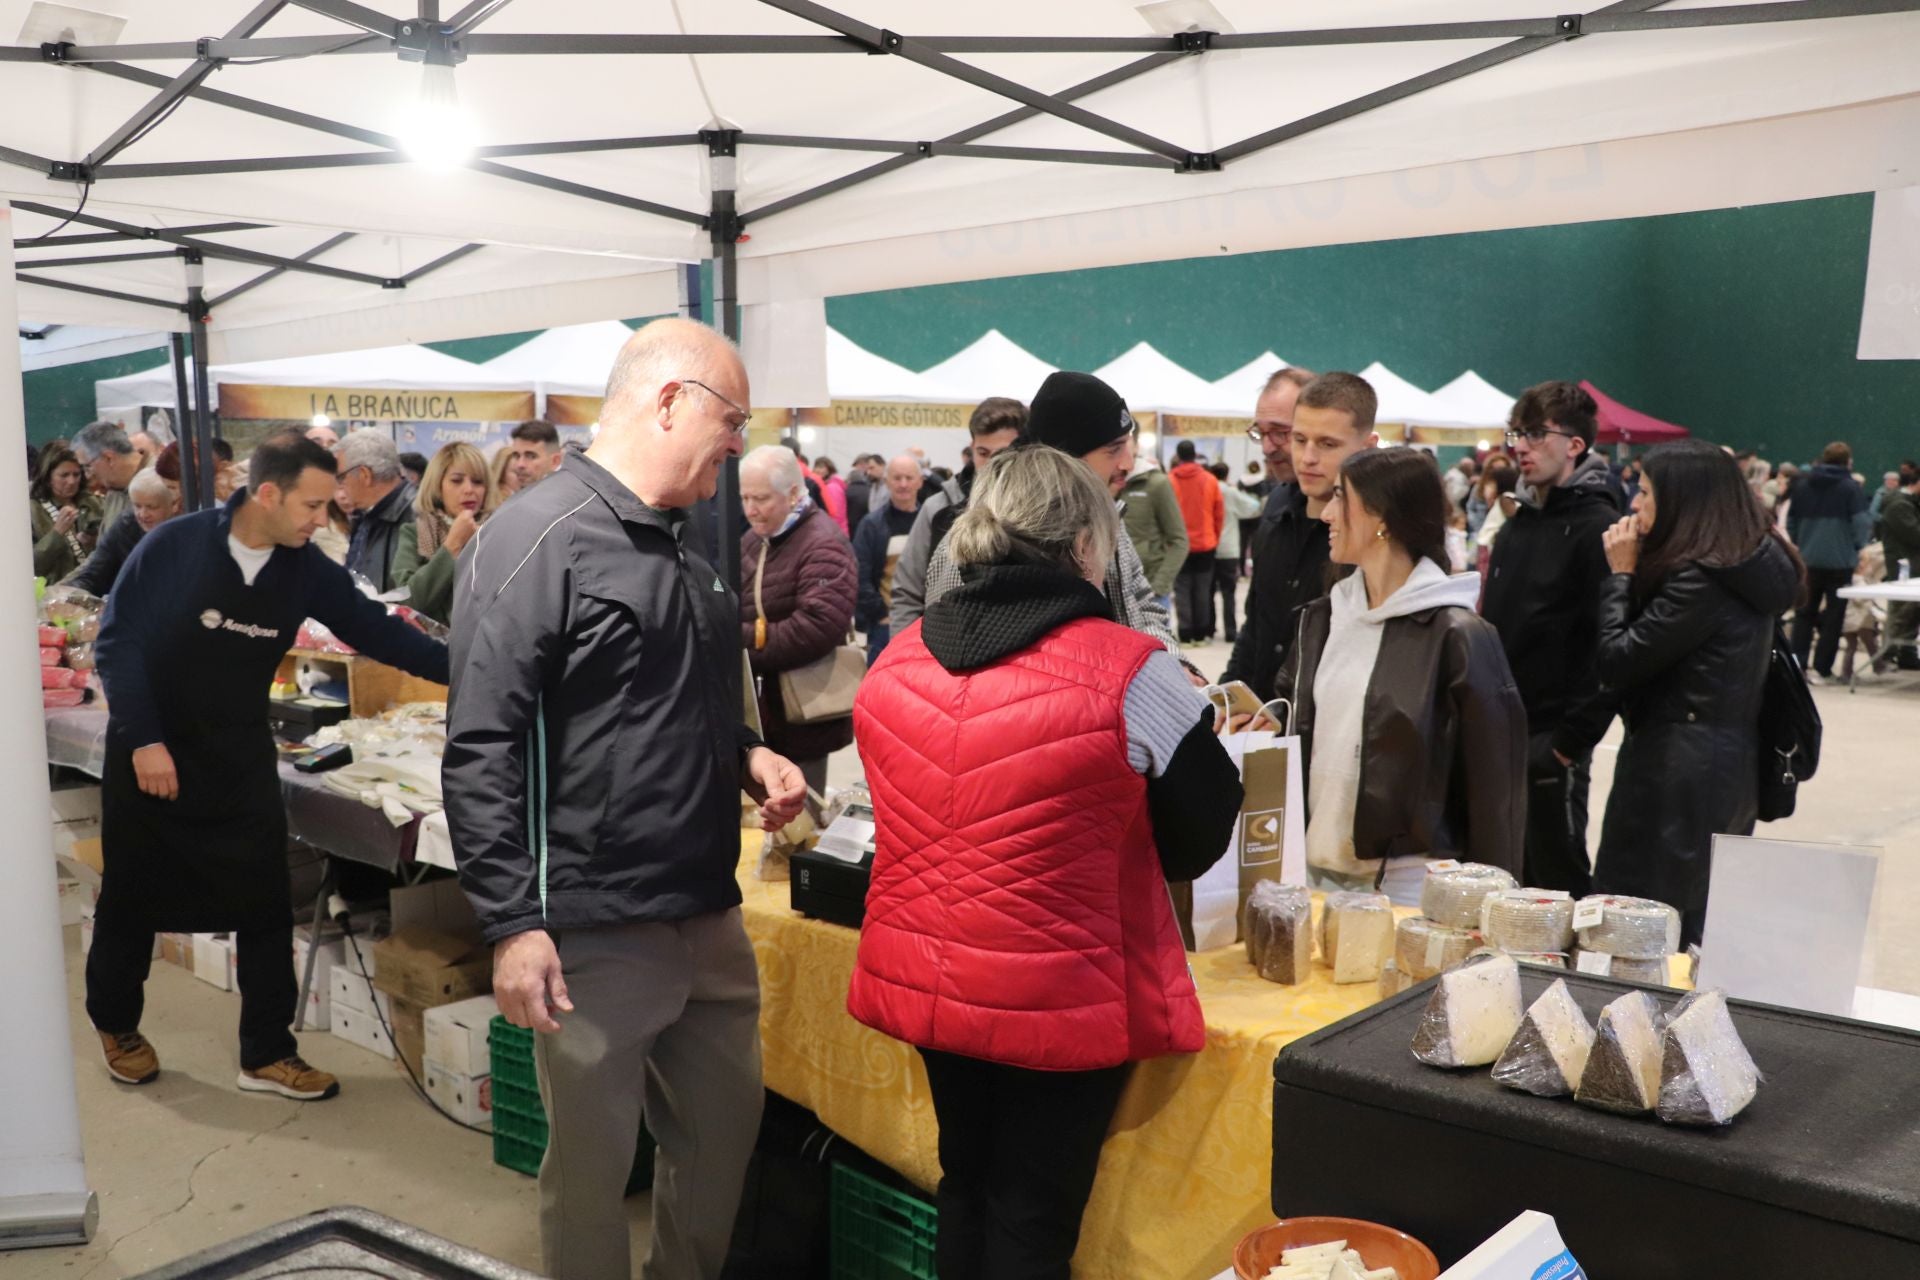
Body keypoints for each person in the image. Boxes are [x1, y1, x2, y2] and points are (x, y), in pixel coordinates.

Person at [445, 318, 805, 1280]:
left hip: (706, 912)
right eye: (732, 420)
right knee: (592, 1180)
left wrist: (750, 755)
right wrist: (514, 921)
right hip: (590, 928)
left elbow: (678, 699)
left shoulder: (689, 553)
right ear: (671, 400)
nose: (738, 445)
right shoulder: (535, 537)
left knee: (721, 1142)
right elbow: (480, 745)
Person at [848, 444, 1240, 1279]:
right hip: (1060, 990)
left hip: (928, 980)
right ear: (1087, 546)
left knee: (966, 1185)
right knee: (1033, 1210)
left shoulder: (896, 660)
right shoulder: (1132, 670)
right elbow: (1203, 832)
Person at [86, 433, 449, 1100]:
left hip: (238, 753)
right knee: (131, 900)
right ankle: (117, 1027)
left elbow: (379, 631)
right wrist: (143, 740)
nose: (323, 518)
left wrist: (472, 668)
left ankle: (267, 1053)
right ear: (269, 493)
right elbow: (118, 641)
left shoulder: (305, 567)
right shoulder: (177, 545)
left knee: (263, 902)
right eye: (313, 504)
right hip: (152, 750)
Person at [1282, 447, 1524, 903]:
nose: (1326, 514)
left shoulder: (1459, 635)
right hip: (1310, 875)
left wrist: (1496, 903)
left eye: (1340, 498)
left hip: (1412, 887)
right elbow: (1297, 724)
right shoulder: (1321, 618)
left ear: (1382, 517)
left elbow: (1496, 794)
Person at [1592, 440, 1803, 946]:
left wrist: (1620, 577)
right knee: (1690, 917)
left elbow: (1618, 659)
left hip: (1676, 774)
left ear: (1684, 501)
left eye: (1645, 492)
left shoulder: (1701, 581)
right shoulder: (1745, 565)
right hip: (1722, 765)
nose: (1635, 505)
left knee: (1645, 923)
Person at [923, 373, 1185, 665]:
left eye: (1128, 445)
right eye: (1113, 450)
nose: (1127, 463)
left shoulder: (1108, 517)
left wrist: (1175, 667)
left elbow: (1142, 606)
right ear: (1065, 460)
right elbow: (956, 648)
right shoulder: (987, 535)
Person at [1480, 382, 1622, 897]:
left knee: (1556, 886)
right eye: (1517, 432)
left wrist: (1568, 744)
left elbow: (1608, 649)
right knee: (1501, 880)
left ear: (1576, 445)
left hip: (1550, 740)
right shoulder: (1519, 521)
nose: (1520, 445)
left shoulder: (1599, 527)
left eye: (1536, 434)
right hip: (1497, 731)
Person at [1222, 369, 1377, 703]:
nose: (1268, 447)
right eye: (1300, 439)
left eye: (1281, 433)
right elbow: (1257, 628)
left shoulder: (1376, 535)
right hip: (1265, 725)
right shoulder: (1277, 504)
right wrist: (1227, 700)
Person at [740, 445, 858, 796]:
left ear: (793, 493)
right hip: (765, 714)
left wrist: (742, 641)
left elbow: (816, 628)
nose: (750, 509)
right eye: (744, 498)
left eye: (760, 498)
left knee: (798, 822)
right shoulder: (754, 539)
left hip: (803, 715)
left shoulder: (824, 544)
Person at [891, 398, 1029, 635]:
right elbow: (907, 592)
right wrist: (907, 661)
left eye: (1004, 454)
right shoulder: (938, 509)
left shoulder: (1040, 513)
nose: (991, 464)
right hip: (941, 654)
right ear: (972, 448)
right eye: (983, 453)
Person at [1787, 442, 1873, 681]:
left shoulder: (1802, 485)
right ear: (1848, 462)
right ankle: (1823, 667)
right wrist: (1857, 547)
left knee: (1803, 613)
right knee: (1834, 616)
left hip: (1808, 560)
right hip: (1840, 562)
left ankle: (1797, 664)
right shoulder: (1850, 488)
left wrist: (1802, 542)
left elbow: (1791, 522)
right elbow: (1861, 523)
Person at [391, 442, 498, 621]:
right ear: (438, 486)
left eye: (478, 482)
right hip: (432, 644)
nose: (469, 489)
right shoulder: (415, 533)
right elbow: (408, 601)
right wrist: (452, 546)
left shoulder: (499, 531)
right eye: (457, 481)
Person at [64, 455, 181, 598]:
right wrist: (67, 595)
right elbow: (94, 574)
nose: (143, 514)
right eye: (137, 506)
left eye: (152, 507)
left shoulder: (187, 533)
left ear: (174, 505)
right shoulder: (127, 524)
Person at [853, 454, 924, 665]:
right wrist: (881, 614)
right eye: (897, 478)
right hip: (885, 625)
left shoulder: (930, 523)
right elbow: (860, 576)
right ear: (886, 481)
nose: (903, 484)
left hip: (926, 627)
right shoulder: (871, 525)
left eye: (909, 478)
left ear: (920, 481)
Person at [334, 429, 418, 592]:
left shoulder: (418, 515)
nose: (340, 485)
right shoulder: (365, 515)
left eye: (342, 477)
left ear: (365, 475)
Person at [1169, 440, 1226, 644]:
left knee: (1182, 589)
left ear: (1178, 455)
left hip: (1179, 545)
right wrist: (1214, 537)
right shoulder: (1210, 480)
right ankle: (1201, 633)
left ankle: (1185, 633)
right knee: (1203, 590)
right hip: (1205, 543)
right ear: (1195, 455)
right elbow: (1219, 514)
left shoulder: (1170, 481)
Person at [1118, 447, 1188, 614]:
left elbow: (1179, 540)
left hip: (1150, 589)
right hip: (1113, 590)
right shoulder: (1103, 480)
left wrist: (1159, 586)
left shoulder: (1157, 483)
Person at [30, 445, 102, 583]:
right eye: (64, 475)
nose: (71, 481)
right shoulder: (32, 511)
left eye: (76, 474)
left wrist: (96, 540)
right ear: (47, 477)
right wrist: (57, 533)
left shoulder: (95, 503)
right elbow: (31, 567)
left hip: (94, 587)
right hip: (53, 594)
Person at [1873, 461, 1920, 671]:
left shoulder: (1909, 503)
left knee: (1912, 613)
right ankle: (1886, 655)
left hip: (1911, 564)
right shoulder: (1899, 505)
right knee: (1900, 612)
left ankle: (1906, 655)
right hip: (1903, 566)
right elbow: (1914, 535)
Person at [1213, 461, 1262, 644]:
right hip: (1228, 547)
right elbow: (1253, 506)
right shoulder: (1230, 492)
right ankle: (1230, 631)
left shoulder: (1207, 488)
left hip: (1209, 547)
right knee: (1228, 593)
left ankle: (1209, 627)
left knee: (1207, 592)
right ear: (1227, 475)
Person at [71, 421, 144, 531]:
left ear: (109, 458)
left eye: (87, 467)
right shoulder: (113, 493)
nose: (87, 476)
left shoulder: (161, 484)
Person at [507, 419, 566, 491]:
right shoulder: (510, 499)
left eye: (531, 456)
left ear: (555, 461)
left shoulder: (571, 499)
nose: (520, 464)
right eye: (516, 456)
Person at [812, 455, 850, 535]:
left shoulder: (832, 487)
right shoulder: (826, 485)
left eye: (821, 467)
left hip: (835, 532)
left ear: (829, 469)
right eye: (816, 467)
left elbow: (836, 514)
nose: (817, 470)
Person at [842, 453, 876, 519]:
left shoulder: (874, 479)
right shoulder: (849, 480)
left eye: (865, 463)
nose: (862, 466)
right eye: (859, 464)